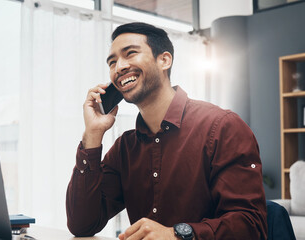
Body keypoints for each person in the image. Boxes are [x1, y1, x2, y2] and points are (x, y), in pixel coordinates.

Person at [66, 22, 267, 240]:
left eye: (130, 53)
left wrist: (178, 235)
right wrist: (93, 134)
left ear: (164, 60)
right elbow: (81, 225)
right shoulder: (125, 148)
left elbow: (251, 227)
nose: (119, 67)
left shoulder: (222, 127)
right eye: (112, 62)